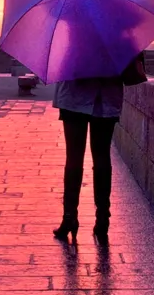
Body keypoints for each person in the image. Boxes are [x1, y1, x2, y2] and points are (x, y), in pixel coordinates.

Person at [52, 72, 124, 246]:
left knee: (74, 158)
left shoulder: (73, 43)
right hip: (106, 95)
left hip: (74, 95)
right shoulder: (117, 43)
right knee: (102, 157)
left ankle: (69, 217)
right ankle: (102, 219)